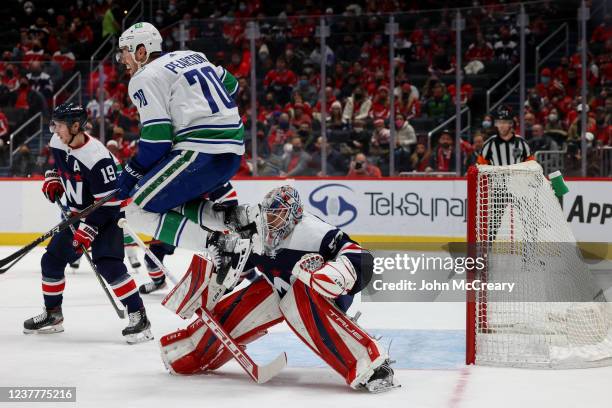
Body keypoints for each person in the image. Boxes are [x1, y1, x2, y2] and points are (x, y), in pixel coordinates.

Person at [159, 186, 399, 393]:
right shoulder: (256, 233)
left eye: (279, 216)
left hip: (319, 292)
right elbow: (237, 269)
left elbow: (359, 255)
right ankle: (194, 350)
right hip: (280, 286)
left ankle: (372, 365)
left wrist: (338, 272)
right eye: (269, 216)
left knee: (297, 300)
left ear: (295, 216)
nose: (272, 222)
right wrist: (211, 286)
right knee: (245, 304)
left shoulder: (313, 232)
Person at [114, 22, 251, 277]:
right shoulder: (193, 55)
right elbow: (232, 86)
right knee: (168, 200)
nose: (122, 59)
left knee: (133, 207)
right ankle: (237, 218)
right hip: (232, 150)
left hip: (199, 152)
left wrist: (129, 175)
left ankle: (219, 246)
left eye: (125, 51)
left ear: (141, 51)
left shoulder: (144, 77)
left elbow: (157, 141)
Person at [24, 103, 152, 344]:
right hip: (75, 215)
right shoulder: (59, 141)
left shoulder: (98, 158)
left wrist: (88, 229)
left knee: (109, 266)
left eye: (60, 125)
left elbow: (109, 203)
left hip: (106, 217)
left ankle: (139, 316)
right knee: (51, 260)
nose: (55, 129)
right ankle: (53, 315)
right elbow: (58, 164)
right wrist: (53, 178)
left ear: (75, 126)